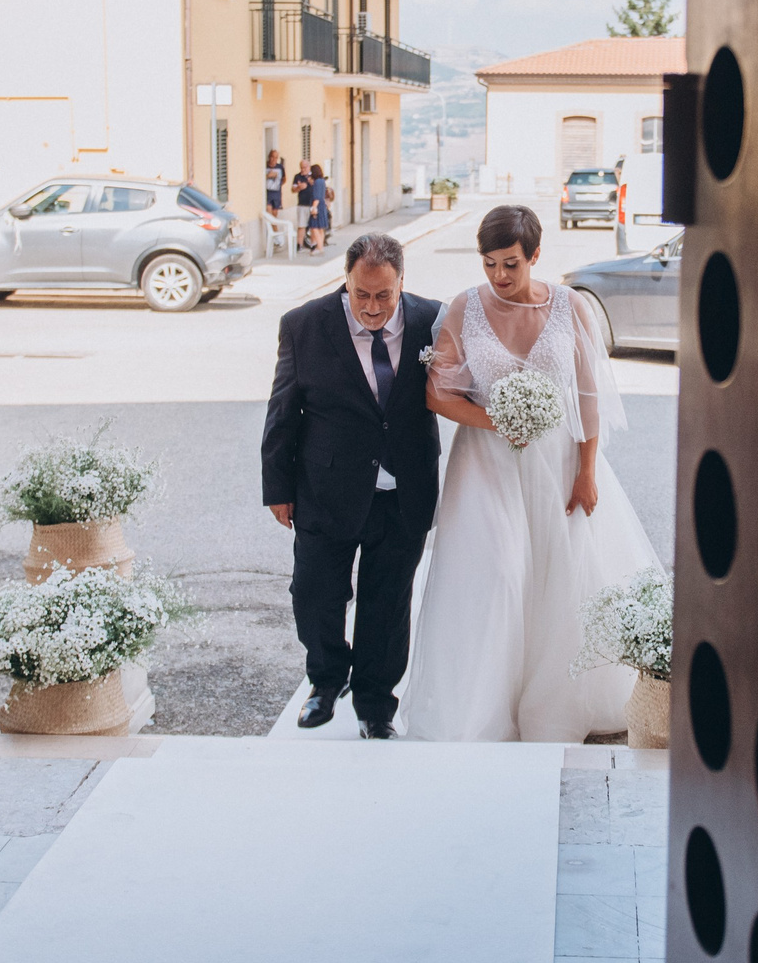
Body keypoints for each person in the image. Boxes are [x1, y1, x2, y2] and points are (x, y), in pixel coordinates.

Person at [399, 204, 654, 742]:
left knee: (559, 575)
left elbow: (587, 398)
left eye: (511, 263)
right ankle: (484, 705)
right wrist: (497, 420)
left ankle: (554, 701)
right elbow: (437, 393)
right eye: (489, 263)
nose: (499, 276)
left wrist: (587, 471)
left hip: (557, 462)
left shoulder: (570, 307)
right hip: (486, 466)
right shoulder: (465, 308)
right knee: (497, 573)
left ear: (535, 256)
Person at [260, 231, 444, 738]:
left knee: (387, 604)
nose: (371, 306)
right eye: (360, 294)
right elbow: (282, 412)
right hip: (325, 486)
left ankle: (375, 706)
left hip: (403, 491)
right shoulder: (303, 326)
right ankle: (324, 680)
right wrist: (277, 486)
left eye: (383, 295)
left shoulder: (434, 319)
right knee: (315, 594)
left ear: (402, 281)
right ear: (346, 282)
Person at [305, 162, 332, 252]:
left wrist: (313, 207)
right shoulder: (322, 181)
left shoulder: (317, 182)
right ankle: (321, 247)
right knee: (321, 228)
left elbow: (316, 196)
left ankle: (319, 247)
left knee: (314, 227)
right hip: (322, 206)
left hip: (317, 206)